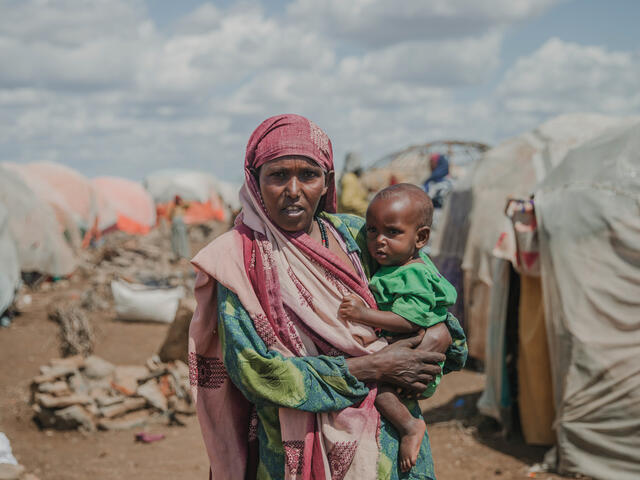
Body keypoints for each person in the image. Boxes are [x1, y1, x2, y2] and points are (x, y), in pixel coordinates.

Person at [189, 114, 467, 480]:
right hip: (294, 448)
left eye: (308, 175)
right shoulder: (239, 261)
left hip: (391, 445)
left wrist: (436, 338)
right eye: (277, 175)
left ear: (326, 182)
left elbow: (427, 299)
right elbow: (256, 372)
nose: (293, 189)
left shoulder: (357, 236)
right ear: (255, 181)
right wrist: (374, 367)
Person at [338, 183, 458, 472]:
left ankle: (409, 427)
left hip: (414, 353)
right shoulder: (398, 265)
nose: (379, 240)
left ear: (421, 237)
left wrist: (363, 314)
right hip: (407, 349)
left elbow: (410, 320)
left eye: (392, 232)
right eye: (372, 230)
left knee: (379, 392)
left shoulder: (412, 273)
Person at [338, 152, 369, 216]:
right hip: (349, 218)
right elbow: (347, 202)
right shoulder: (349, 178)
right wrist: (367, 206)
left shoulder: (352, 177)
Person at [168, 195, 190, 261]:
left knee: (182, 239)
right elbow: (169, 216)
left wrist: (182, 202)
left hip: (181, 224)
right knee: (175, 240)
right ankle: (177, 254)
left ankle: (183, 254)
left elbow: (189, 205)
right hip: (175, 225)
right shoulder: (174, 208)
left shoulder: (182, 207)